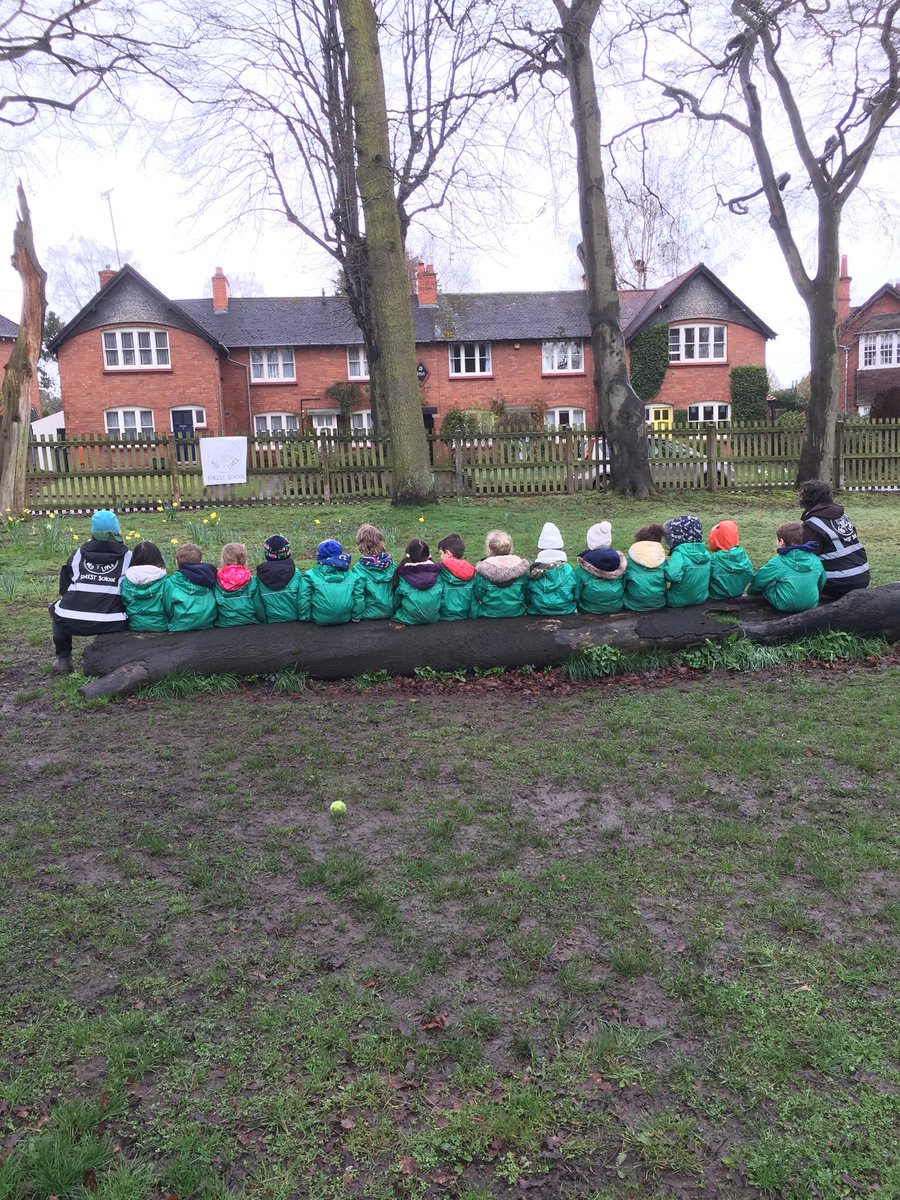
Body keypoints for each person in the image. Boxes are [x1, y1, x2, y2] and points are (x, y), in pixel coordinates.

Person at [50, 509, 132, 673]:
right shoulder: (129, 557)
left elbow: (64, 589)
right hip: (112, 622)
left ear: (93, 531)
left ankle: (63, 658)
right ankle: (117, 656)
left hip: (71, 619)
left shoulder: (78, 554)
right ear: (117, 530)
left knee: (56, 608)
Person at [799, 479, 870, 599]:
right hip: (862, 575)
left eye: (801, 494)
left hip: (840, 582)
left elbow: (805, 558)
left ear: (808, 498)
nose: (799, 497)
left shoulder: (813, 525)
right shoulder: (842, 516)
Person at [748, 522, 826, 613]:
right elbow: (822, 580)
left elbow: (759, 580)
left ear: (781, 542)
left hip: (785, 605)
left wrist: (751, 592)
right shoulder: (814, 559)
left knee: (767, 584)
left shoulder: (778, 561)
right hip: (811, 603)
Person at [298, 539, 363, 625]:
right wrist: (356, 617)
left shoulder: (310, 575)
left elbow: (304, 596)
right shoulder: (352, 576)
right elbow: (358, 597)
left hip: (318, 618)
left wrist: (305, 617)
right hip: (345, 618)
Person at [471, 530, 530, 618]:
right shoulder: (521, 569)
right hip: (517, 612)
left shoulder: (483, 571)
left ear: (489, 549)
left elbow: (478, 594)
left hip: (488, 613)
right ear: (510, 547)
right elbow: (526, 592)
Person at [574, 521, 626, 614]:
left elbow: (576, 595)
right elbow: (625, 585)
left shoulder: (581, 569)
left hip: (588, 609)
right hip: (616, 607)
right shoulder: (620, 563)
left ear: (590, 541)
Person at [526, 521, 577, 615]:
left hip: (537, 612)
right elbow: (576, 595)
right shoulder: (568, 570)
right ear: (561, 548)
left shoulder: (533, 571)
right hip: (566, 611)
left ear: (540, 548)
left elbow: (527, 595)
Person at [165, 543, 218, 632]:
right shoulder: (210, 576)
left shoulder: (171, 581)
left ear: (177, 563)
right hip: (208, 624)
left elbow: (167, 607)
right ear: (200, 561)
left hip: (180, 626)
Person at [663, 514, 712, 607]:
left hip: (676, 601)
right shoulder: (705, 553)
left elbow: (672, 576)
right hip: (701, 598)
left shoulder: (679, 553)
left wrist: (665, 566)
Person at [392, 537, 443, 624]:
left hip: (407, 618)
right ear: (428, 555)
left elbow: (396, 600)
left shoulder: (402, 574)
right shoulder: (437, 572)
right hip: (434, 618)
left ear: (408, 555)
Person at [215, 542, 266, 627]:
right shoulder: (251, 581)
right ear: (244, 559)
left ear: (223, 559)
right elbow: (258, 606)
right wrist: (263, 621)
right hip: (250, 623)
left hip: (225, 625)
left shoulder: (217, 581)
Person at [121, 542, 169, 632]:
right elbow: (169, 605)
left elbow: (124, 602)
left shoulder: (126, 581)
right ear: (157, 558)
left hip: (134, 625)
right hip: (161, 625)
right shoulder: (164, 580)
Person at [256, 534, 303, 623]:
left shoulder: (259, 577)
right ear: (288, 553)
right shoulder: (296, 574)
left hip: (270, 622)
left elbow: (258, 604)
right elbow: (302, 598)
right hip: (295, 620)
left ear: (267, 554)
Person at [353, 524, 396, 620]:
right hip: (392, 611)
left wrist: (356, 616)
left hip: (369, 613)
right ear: (380, 541)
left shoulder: (358, 569)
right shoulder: (391, 565)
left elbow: (358, 596)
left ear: (361, 545)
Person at [622, 525, 667, 612]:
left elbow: (622, 581)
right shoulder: (661, 559)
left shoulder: (629, 559)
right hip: (658, 603)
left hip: (633, 605)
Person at [707, 520, 755, 599]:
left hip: (715, 596)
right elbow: (750, 573)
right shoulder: (744, 557)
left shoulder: (713, 560)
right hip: (738, 593)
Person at [437, 532, 475, 620]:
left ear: (448, 554)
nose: (441, 557)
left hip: (443, 618)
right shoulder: (471, 571)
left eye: (441, 553)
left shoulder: (440, 572)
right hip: (466, 617)